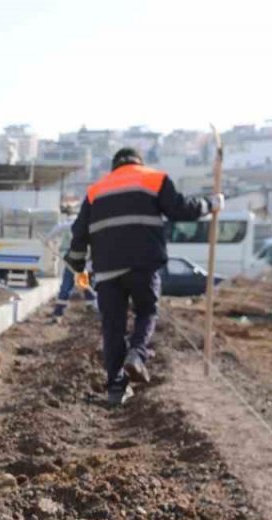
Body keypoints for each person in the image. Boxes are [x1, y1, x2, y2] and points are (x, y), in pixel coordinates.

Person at [65, 147, 222, 406]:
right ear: (139, 162)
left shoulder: (95, 191)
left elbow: (79, 232)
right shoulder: (155, 179)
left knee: (112, 327)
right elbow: (181, 209)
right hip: (143, 265)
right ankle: (137, 355)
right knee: (146, 312)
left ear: (114, 167)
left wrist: (78, 264)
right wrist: (211, 204)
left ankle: (116, 387)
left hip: (107, 270)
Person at [46, 207, 96, 321]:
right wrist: (48, 239)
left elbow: (59, 227)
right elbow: (59, 227)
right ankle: (59, 312)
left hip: (81, 257)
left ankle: (90, 305)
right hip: (75, 256)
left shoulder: (87, 225)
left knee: (82, 282)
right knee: (69, 284)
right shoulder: (77, 223)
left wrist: (48, 238)